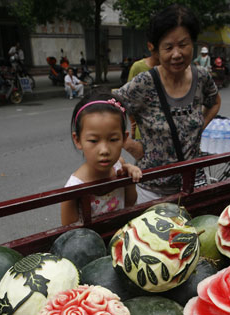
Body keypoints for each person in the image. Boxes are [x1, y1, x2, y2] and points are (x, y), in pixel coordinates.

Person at [113, 3, 221, 203]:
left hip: (192, 186)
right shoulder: (145, 82)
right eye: (168, 47)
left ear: (193, 43)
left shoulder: (202, 77)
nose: (177, 54)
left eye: (183, 44)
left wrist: (199, 128)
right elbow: (110, 108)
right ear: (156, 49)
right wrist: (129, 145)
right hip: (151, 190)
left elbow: (214, 102)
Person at [61, 92, 142, 225]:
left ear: (124, 139)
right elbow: (70, 236)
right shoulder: (73, 190)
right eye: (93, 140)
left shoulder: (119, 166)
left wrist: (129, 179)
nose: (104, 150)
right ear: (78, 140)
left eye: (113, 139)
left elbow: (129, 202)